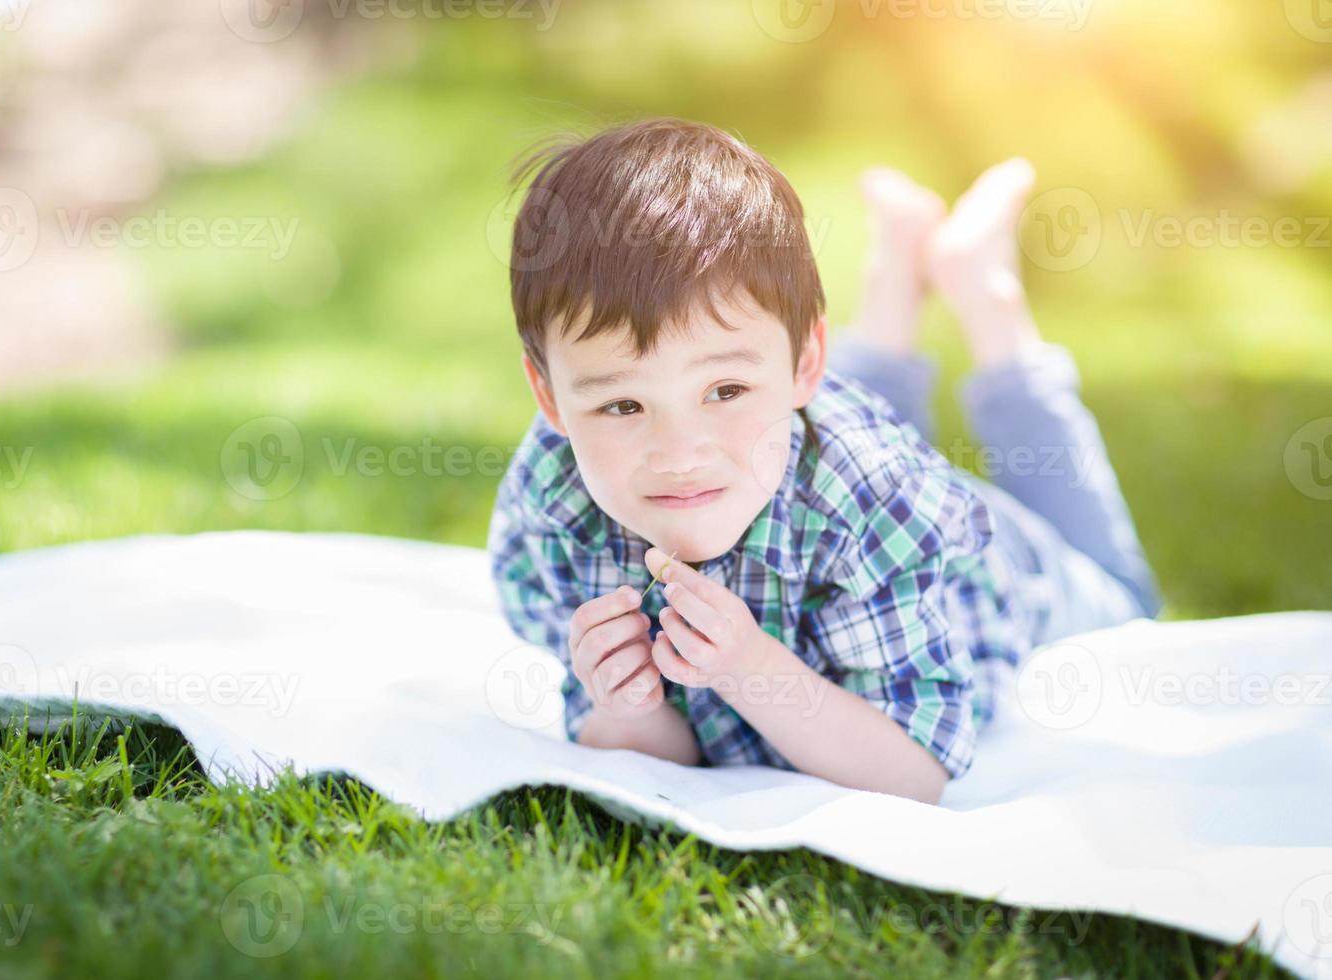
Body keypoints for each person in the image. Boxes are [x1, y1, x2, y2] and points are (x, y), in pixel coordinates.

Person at [486, 118, 1161, 804]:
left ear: (809, 363)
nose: (680, 455)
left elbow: (914, 772)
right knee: (785, 431)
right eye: (623, 407)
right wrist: (626, 706)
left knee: (1130, 601)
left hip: (1002, 570)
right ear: (549, 396)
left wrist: (751, 668)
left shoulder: (873, 499)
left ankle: (986, 294)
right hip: (809, 457)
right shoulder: (555, 502)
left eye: (724, 390)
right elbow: (664, 765)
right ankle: (897, 270)